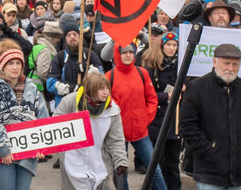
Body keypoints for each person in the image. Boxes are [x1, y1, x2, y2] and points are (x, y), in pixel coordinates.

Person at [180, 44, 241, 190]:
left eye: (235, 64)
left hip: (239, 172)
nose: (230, 68)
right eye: (226, 63)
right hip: (209, 171)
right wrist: (209, 149)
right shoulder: (197, 87)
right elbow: (187, 126)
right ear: (214, 62)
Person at [0, 44, 49, 190]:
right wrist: (2, 149)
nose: (15, 67)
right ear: (3, 66)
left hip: (28, 153)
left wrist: (42, 147)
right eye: (11, 63)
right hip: (3, 154)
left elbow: (43, 120)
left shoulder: (32, 88)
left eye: (18, 63)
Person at [105, 43, 167, 190]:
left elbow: (152, 99)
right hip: (118, 135)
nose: (128, 55)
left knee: (154, 170)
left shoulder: (142, 73)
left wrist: (146, 118)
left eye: (131, 52)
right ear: (117, 54)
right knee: (121, 173)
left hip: (140, 132)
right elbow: (106, 104)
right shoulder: (109, 76)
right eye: (124, 52)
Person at [54, 73, 128, 190]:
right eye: (101, 89)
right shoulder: (70, 102)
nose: (106, 92)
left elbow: (116, 140)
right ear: (91, 89)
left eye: (107, 88)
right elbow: (53, 126)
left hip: (100, 164)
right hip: (72, 163)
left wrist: (120, 161)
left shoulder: (112, 109)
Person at [141, 32, 182, 190]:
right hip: (157, 121)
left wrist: (185, 87)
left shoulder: (180, 65)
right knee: (158, 163)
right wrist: (166, 96)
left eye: (174, 45)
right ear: (162, 46)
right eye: (168, 45)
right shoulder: (151, 65)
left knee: (173, 163)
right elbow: (146, 94)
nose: (172, 48)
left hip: (175, 121)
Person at [47, 23, 104, 107]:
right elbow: (50, 84)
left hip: (88, 104)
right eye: (69, 35)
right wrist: (71, 89)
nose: (72, 37)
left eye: (74, 34)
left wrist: (87, 72)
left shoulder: (90, 55)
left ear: (79, 36)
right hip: (65, 106)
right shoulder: (59, 58)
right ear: (65, 39)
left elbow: (101, 77)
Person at [26, 21, 62, 110]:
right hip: (39, 87)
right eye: (57, 38)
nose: (58, 40)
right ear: (52, 37)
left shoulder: (39, 45)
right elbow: (43, 72)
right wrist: (56, 78)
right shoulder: (45, 50)